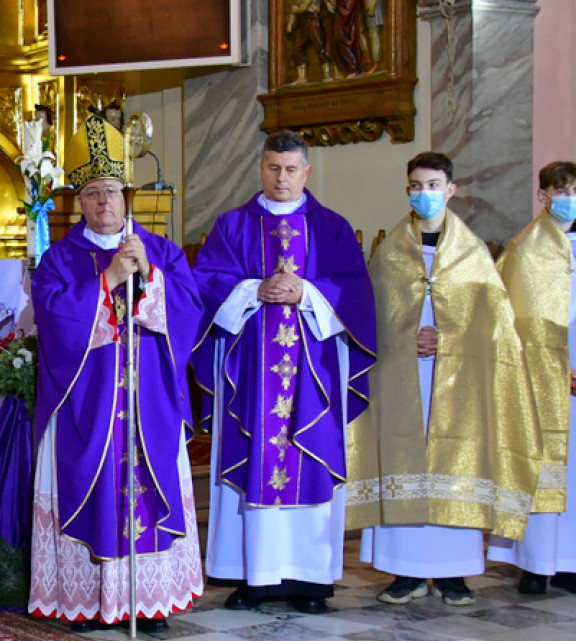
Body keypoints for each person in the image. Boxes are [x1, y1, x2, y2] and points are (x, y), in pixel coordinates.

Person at [27, 114, 204, 633]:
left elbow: (190, 312)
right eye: (91, 194)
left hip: (148, 398)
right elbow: (55, 318)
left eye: (111, 191)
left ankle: (148, 601)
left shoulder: (160, 251)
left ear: (127, 196)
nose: (103, 202)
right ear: (78, 203)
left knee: (148, 484)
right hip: (87, 402)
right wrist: (107, 279)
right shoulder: (60, 258)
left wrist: (149, 277)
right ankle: (86, 600)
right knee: (93, 481)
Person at [191, 130, 377, 614]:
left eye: (291, 169)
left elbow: (354, 291)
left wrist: (308, 293)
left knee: (308, 461)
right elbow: (207, 285)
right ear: (261, 169)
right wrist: (253, 290)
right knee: (253, 458)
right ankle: (252, 577)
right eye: (273, 168)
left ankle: (310, 581)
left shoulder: (332, 228)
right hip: (252, 378)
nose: (282, 178)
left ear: (307, 172)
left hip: (312, 380)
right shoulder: (232, 226)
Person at [347, 152, 540, 606]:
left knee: (456, 460)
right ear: (407, 189)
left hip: (460, 382)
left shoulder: (473, 254)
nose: (424, 193)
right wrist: (405, 335)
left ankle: (453, 575)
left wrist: (449, 337)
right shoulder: (391, 251)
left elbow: (494, 325)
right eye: (416, 185)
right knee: (403, 458)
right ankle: (404, 573)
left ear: (450, 190)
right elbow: (371, 315)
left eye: (433, 185)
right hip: (402, 374)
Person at [487, 161, 576, 594]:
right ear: (543, 195)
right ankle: (537, 564)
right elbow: (509, 322)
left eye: (574, 191)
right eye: (560, 191)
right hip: (542, 375)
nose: (567, 200)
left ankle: (572, 562)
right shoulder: (524, 250)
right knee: (541, 466)